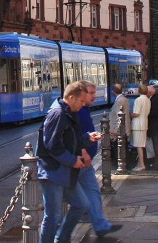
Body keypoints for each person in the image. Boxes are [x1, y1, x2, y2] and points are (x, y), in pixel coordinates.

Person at [37, 81, 91, 243]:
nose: (83, 105)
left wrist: (87, 138)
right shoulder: (58, 114)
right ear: (72, 97)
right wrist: (73, 160)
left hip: (64, 172)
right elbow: (52, 145)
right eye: (81, 101)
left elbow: (69, 140)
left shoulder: (68, 112)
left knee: (81, 204)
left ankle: (61, 238)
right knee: (53, 216)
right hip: (53, 172)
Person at [76, 82, 122, 238]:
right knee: (67, 197)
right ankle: (61, 230)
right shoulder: (76, 110)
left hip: (85, 163)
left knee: (93, 191)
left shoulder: (84, 109)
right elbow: (73, 134)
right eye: (91, 92)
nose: (94, 95)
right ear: (81, 94)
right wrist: (82, 150)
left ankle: (100, 225)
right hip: (78, 161)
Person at [107, 83, 132, 166]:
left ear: (113, 91)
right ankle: (124, 166)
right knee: (123, 150)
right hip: (124, 129)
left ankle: (122, 167)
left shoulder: (119, 101)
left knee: (120, 150)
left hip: (120, 131)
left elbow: (119, 117)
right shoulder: (124, 99)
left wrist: (115, 131)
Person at [129, 82, 151, 172]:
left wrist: (130, 115)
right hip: (144, 124)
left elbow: (136, 113)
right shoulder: (148, 100)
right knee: (141, 145)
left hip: (138, 125)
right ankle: (140, 164)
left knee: (138, 146)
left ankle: (141, 165)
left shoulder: (138, 100)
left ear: (139, 90)